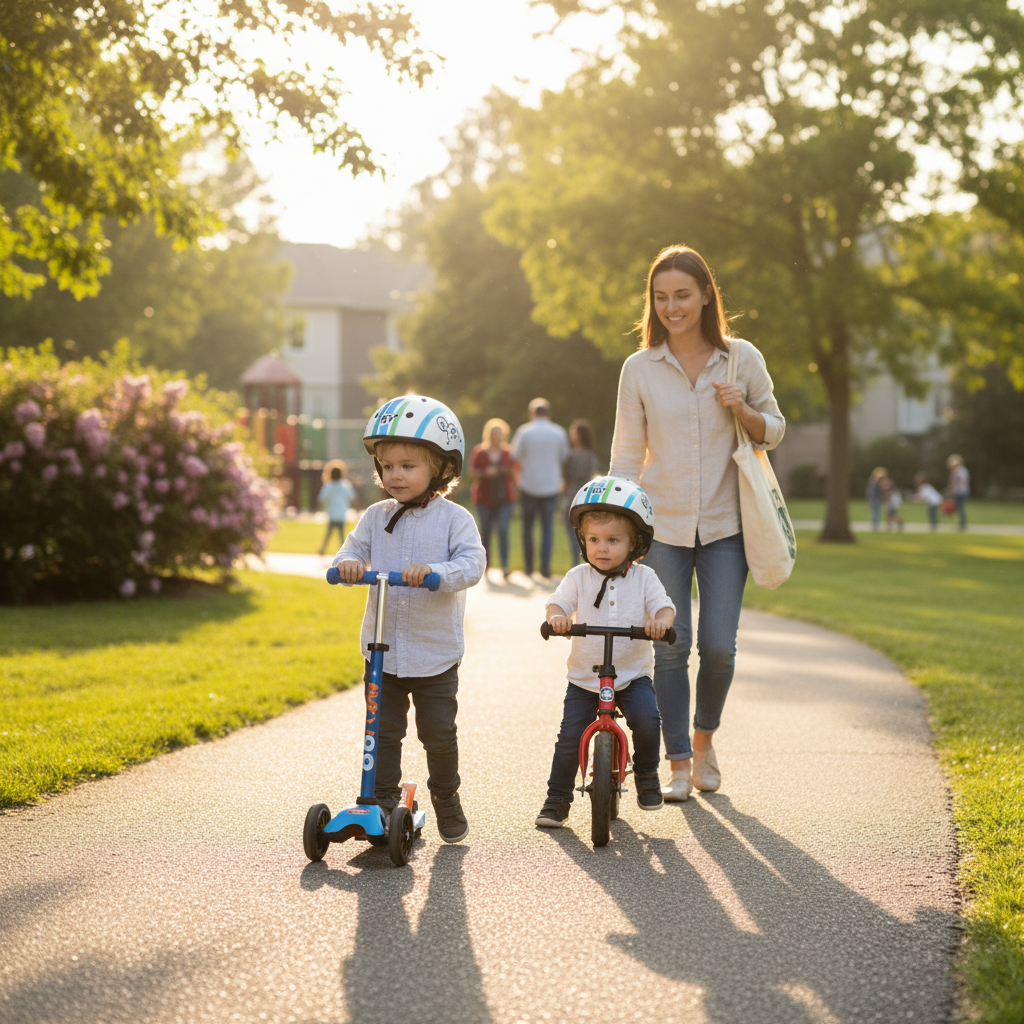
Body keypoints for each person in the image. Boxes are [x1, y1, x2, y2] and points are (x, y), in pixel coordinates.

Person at [609, 245, 785, 801]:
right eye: (660, 298)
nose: (671, 307)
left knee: (720, 646)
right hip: (661, 528)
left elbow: (773, 428)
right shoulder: (639, 368)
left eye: (682, 295)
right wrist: (616, 524)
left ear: (706, 294)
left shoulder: (741, 358)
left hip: (726, 525)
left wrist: (743, 409)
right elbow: (625, 455)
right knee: (669, 646)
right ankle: (679, 761)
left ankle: (705, 741)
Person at [332, 395, 486, 844]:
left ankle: (445, 797)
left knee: (437, 734)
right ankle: (380, 801)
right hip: (382, 654)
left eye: (407, 465)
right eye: (387, 466)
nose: (394, 475)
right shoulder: (374, 517)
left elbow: (472, 564)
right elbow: (352, 551)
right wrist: (347, 566)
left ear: (440, 468)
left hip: (434, 655)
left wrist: (436, 574)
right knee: (382, 731)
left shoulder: (455, 521)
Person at [536, 477, 676, 828]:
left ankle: (646, 774)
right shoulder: (579, 576)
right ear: (583, 541)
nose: (602, 548)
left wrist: (660, 622)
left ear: (634, 543)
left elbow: (664, 607)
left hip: (632, 676)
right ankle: (557, 800)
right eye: (594, 540)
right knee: (569, 737)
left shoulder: (645, 578)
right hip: (585, 679)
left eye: (613, 540)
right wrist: (557, 618)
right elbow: (559, 602)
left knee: (647, 720)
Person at [511, 398, 570, 580]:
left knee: (527, 528)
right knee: (547, 529)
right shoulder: (559, 432)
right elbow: (565, 456)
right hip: (551, 486)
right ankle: (545, 568)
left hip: (529, 484)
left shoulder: (524, 431)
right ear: (548, 413)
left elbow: (514, 455)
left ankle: (529, 567)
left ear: (532, 413)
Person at [469, 418, 516, 578]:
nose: (497, 436)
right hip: (484, 497)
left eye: (500, 433)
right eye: (494, 433)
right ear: (489, 434)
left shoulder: (509, 452)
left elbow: (515, 472)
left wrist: (502, 470)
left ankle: (505, 566)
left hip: (504, 498)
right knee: (486, 532)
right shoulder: (480, 452)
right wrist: (485, 472)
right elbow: (471, 473)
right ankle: (485, 566)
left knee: (503, 530)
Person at [562, 419, 602, 566]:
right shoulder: (591, 456)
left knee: (574, 538)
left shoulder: (572, 456)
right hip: (587, 500)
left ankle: (576, 565)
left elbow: (565, 479)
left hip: (572, 498)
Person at [317, 461, 356, 555]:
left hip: (332, 514)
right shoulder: (345, 485)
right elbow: (353, 498)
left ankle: (322, 549)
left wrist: (319, 508)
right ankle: (344, 552)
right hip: (341, 514)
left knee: (328, 534)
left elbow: (321, 499)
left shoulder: (328, 486)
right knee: (341, 535)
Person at [946, 454, 970, 531]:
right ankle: (961, 523)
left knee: (960, 507)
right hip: (956, 491)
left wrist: (956, 483)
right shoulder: (954, 472)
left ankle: (963, 525)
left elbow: (964, 480)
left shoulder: (962, 471)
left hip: (962, 491)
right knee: (958, 508)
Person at [866, 467, 887, 532]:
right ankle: (874, 526)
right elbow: (874, 493)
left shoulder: (874, 483)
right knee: (876, 513)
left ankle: (875, 526)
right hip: (875, 500)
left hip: (875, 500)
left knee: (876, 513)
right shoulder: (875, 483)